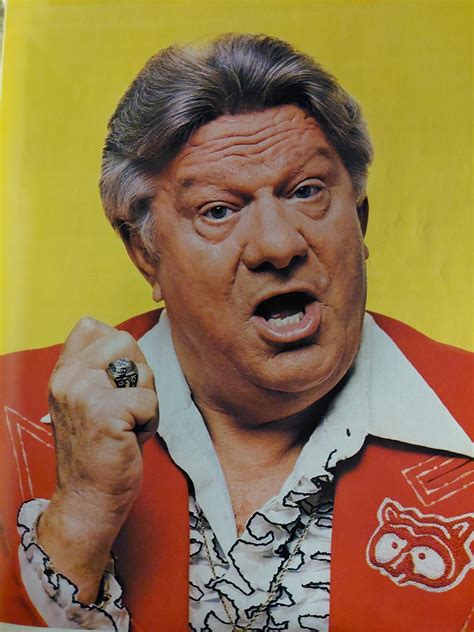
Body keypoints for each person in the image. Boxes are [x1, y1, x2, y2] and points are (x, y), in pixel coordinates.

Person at [0, 34, 472, 632]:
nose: (278, 244)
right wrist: (81, 517)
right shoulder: (10, 415)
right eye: (219, 210)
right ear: (145, 252)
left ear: (359, 218)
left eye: (307, 192)